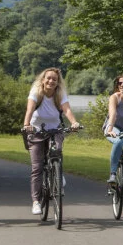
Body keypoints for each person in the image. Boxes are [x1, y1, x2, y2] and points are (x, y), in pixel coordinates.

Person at [21, 67, 81, 216]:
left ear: (58, 82)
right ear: (43, 80)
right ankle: (36, 202)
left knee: (56, 152)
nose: (51, 81)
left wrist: (74, 122)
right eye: (48, 78)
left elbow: (66, 110)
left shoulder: (60, 94)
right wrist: (26, 124)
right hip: (36, 131)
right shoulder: (36, 92)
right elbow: (30, 109)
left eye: (54, 79)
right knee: (37, 168)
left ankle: (57, 173)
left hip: (55, 129)